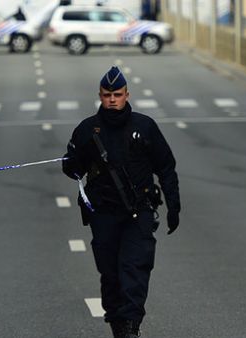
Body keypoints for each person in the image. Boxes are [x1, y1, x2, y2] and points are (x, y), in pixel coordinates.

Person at [62, 66, 180, 338]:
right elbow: (71, 168)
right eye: (107, 95)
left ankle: (131, 326)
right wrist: (76, 161)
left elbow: (166, 167)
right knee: (111, 274)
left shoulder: (145, 126)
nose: (112, 99)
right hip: (103, 214)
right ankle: (118, 324)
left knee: (135, 269)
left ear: (127, 94)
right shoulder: (87, 130)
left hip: (139, 212)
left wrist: (174, 205)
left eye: (117, 94)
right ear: (100, 96)